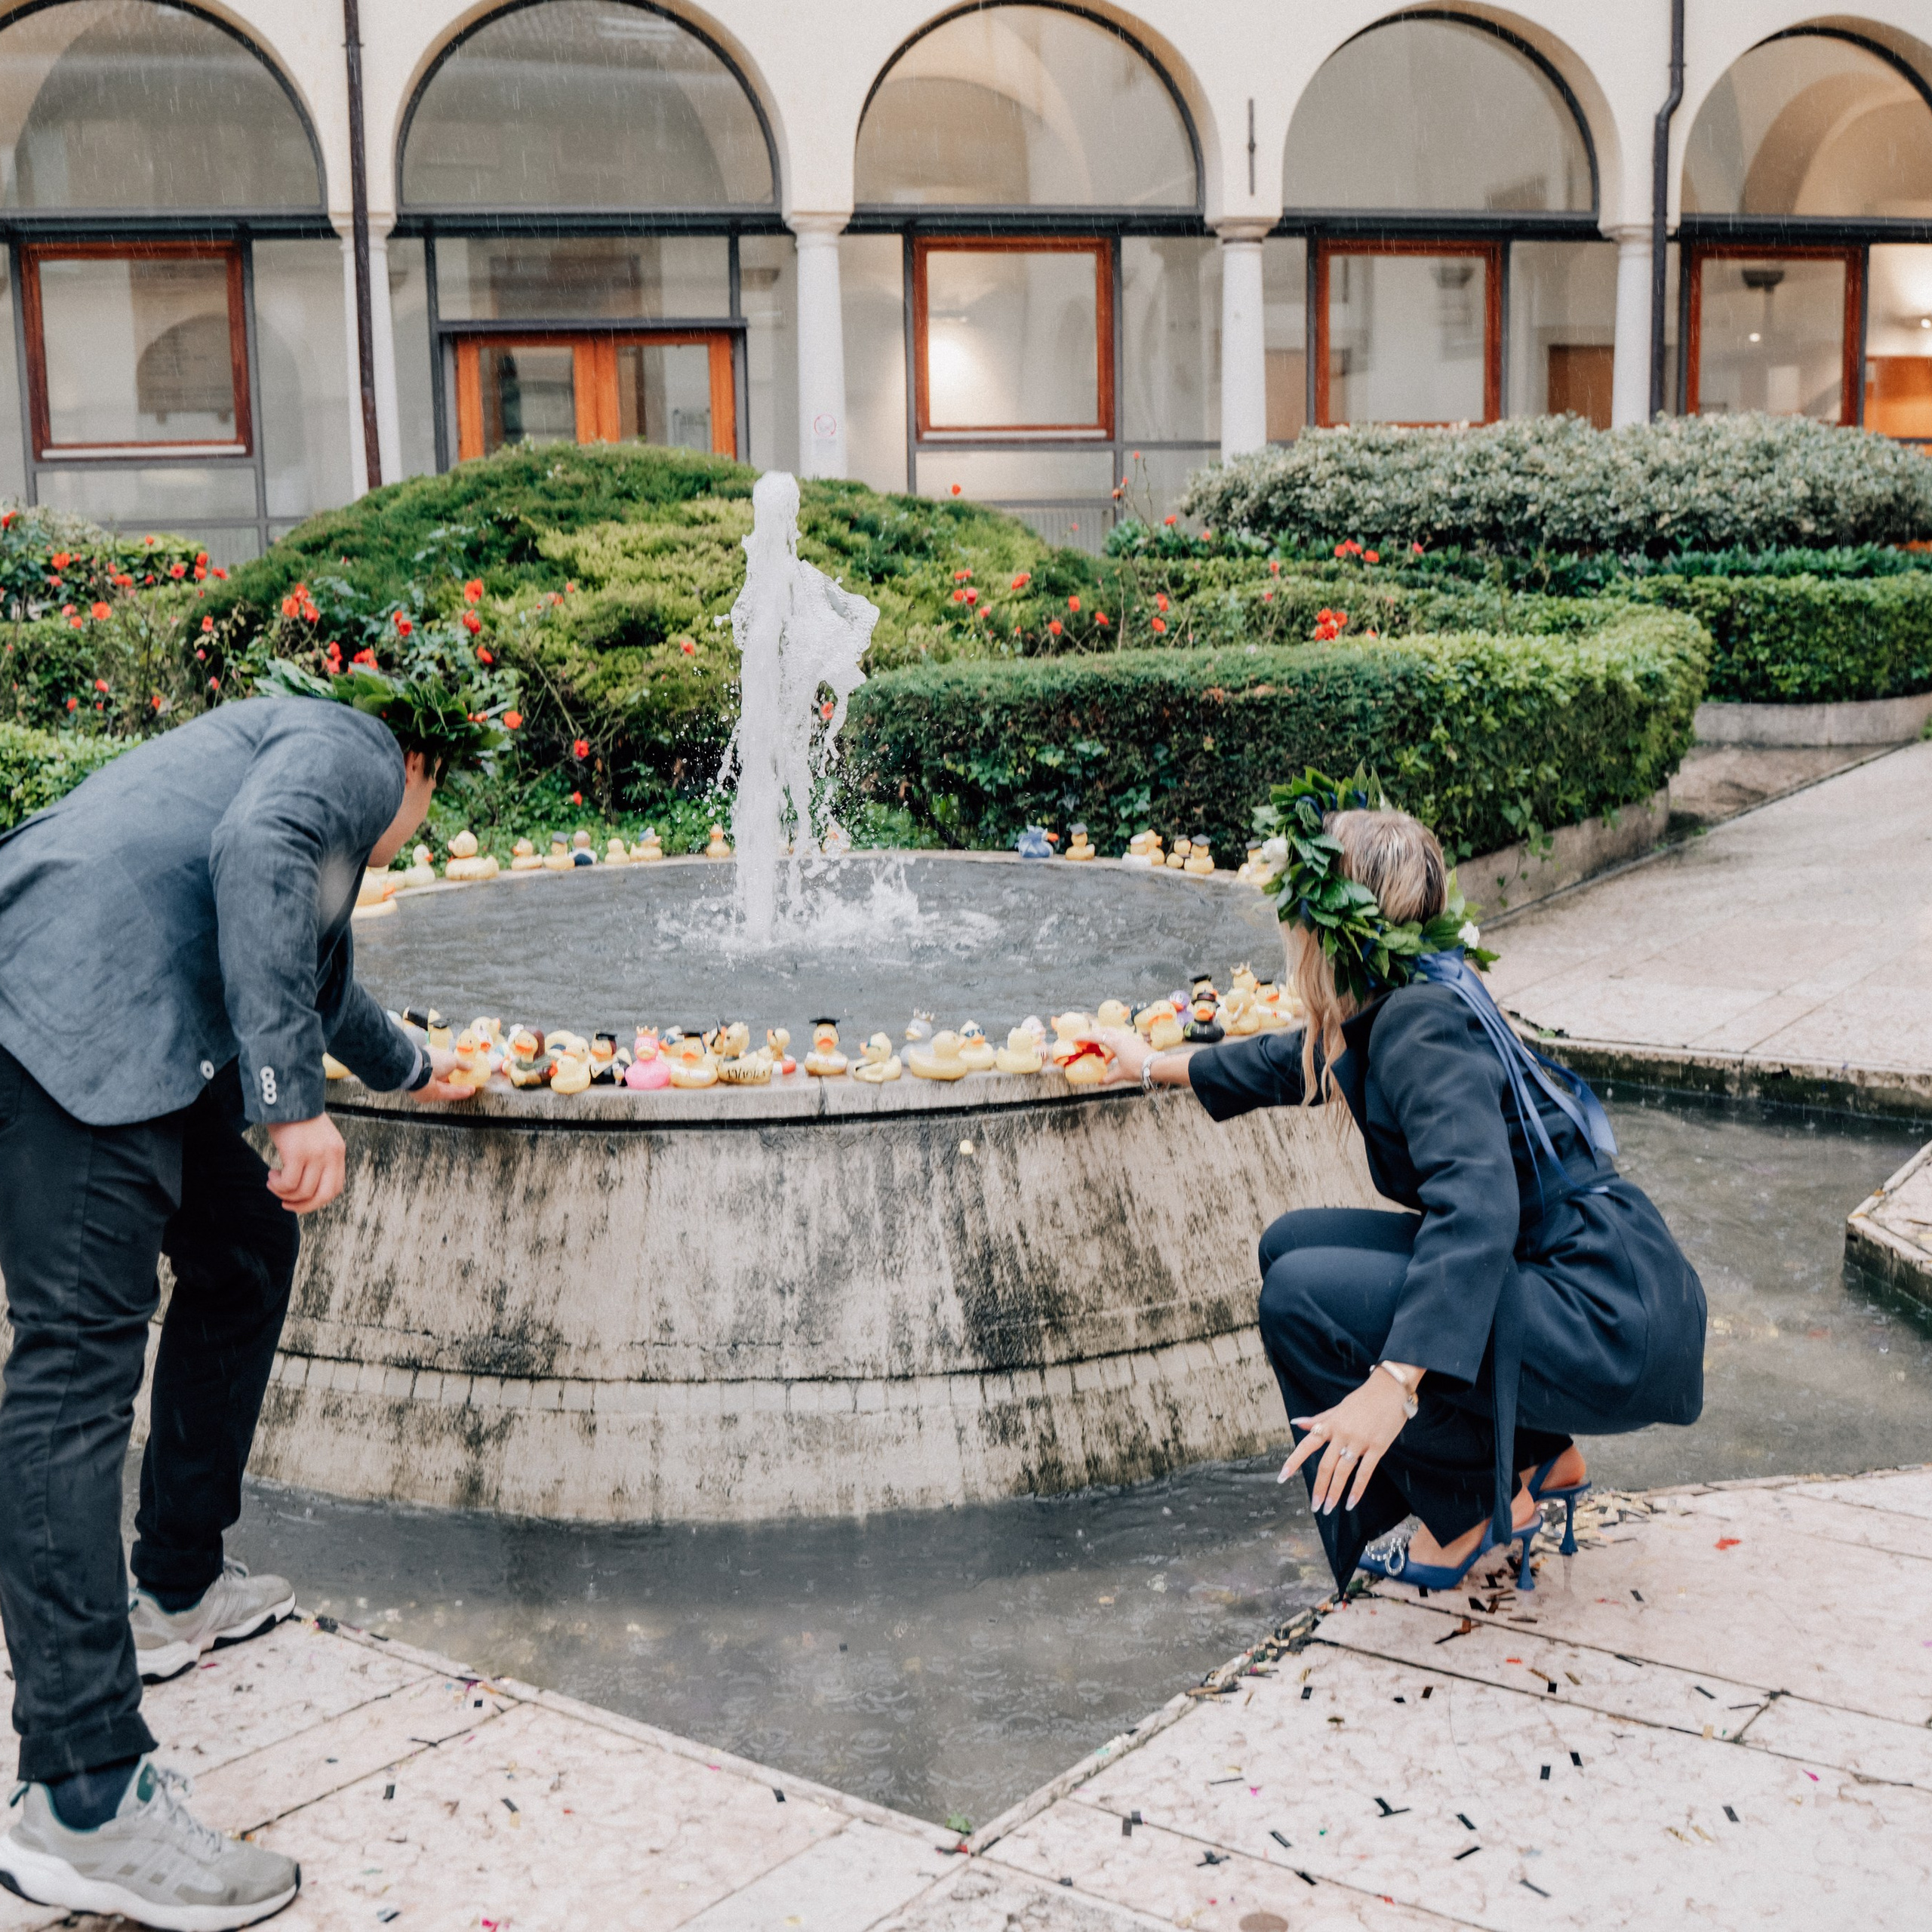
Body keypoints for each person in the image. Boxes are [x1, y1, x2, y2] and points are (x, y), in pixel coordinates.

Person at [0, 665, 497, 1929]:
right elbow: (260, 854)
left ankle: (175, 1585)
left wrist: (417, 1067)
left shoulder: (281, 752)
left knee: (243, 1249)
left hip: (104, 1005)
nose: (410, 832)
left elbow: (311, 976)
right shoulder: (355, 748)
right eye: (426, 809)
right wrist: (289, 1103)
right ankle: (82, 1798)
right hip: (73, 1015)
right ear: (421, 768)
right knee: (71, 1378)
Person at [1097, 774, 1706, 1596]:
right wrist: (1152, 1065)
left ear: (1331, 928)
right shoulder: (1417, 994)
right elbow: (1297, 1062)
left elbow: (1478, 1205)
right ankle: (1540, 1456)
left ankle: (1470, 1511)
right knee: (1290, 1246)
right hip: (1594, 1281)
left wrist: (1394, 1383)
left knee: (1300, 1299)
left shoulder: (1418, 1023)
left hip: (1601, 1311)